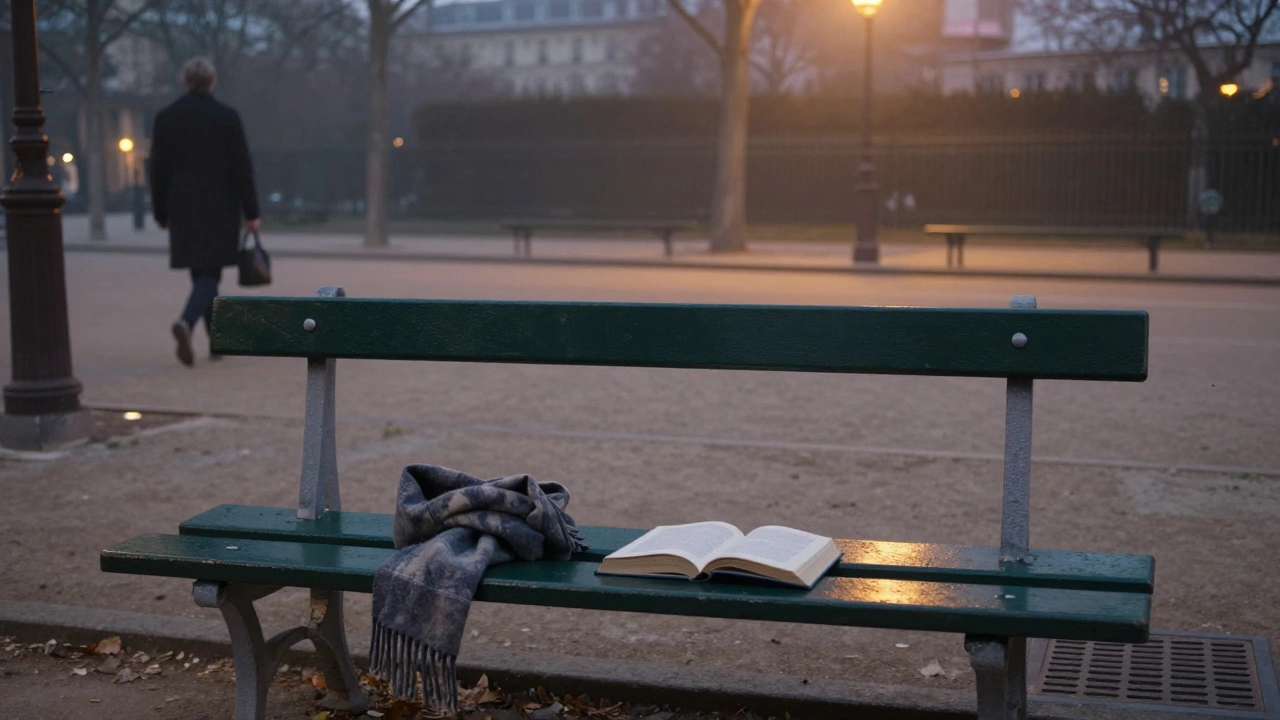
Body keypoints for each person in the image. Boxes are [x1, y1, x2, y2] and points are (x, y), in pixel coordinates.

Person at [149, 56, 261, 367]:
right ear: (213, 82)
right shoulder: (227, 117)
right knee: (209, 273)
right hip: (220, 206)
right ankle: (187, 322)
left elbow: (157, 170)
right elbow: (242, 168)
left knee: (201, 272)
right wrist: (251, 211)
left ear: (185, 82)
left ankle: (216, 342)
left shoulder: (166, 118)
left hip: (182, 206)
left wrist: (160, 210)